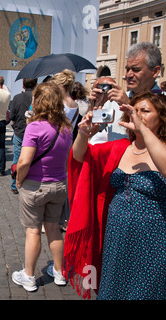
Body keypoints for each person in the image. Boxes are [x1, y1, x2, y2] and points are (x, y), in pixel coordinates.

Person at [63, 91, 166, 300]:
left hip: (153, 240)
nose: (137, 116)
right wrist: (84, 133)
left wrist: (144, 131)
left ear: (162, 117)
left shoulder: (162, 150)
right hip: (116, 237)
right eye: (134, 111)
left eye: (144, 111)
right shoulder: (121, 147)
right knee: (113, 289)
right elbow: (80, 156)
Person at [11, 82, 73, 292]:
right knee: (54, 228)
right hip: (59, 184)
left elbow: (24, 161)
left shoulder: (35, 127)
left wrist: (19, 179)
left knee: (33, 231)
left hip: (36, 185)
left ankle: (28, 275)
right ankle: (59, 271)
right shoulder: (66, 128)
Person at [9, 78, 38, 194]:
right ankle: (30, 182)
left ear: (23, 85)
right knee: (33, 159)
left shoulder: (17, 98)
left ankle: (15, 185)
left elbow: (12, 116)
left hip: (20, 131)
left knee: (17, 159)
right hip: (35, 133)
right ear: (36, 84)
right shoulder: (40, 98)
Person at [51, 70, 80, 136]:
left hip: (55, 139)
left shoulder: (60, 103)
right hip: (67, 140)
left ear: (62, 86)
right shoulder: (75, 105)